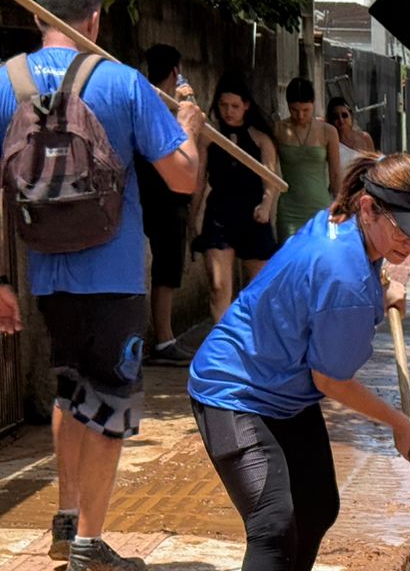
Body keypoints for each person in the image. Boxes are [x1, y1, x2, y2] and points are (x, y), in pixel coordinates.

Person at [187, 154, 410, 571]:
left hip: (283, 390)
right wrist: (400, 423)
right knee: (274, 523)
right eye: (403, 231)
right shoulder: (344, 276)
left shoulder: (342, 225)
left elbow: (339, 293)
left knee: (320, 505)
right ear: (370, 207)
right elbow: (334, 380)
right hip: (235, 392)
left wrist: (386, 288)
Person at [0, 0, 204, 571]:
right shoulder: (124, 83)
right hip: (112, 275)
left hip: (45, 275)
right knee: (108, 399)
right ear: (95, 20)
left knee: (69, 390)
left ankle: (65, 519)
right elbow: (183, 178)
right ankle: (90, 549)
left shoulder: (0, 86)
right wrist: (190, 128)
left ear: (35, 16)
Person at [193, 73, 280, 321]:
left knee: (261, 288)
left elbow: (270, 181)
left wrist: (266, 204)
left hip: (253, 217)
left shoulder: (261, 139)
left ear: (246, 106)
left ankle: (255, 346)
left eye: (235, 106)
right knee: (219, 286)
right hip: (219, 215)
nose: (228, 112)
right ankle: (220, 351)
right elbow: (199, 181)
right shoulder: (209, 136)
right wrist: (194, 218)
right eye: (223, 105)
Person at [134, 45, 194, 364]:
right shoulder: (166, 105)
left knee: (163, 268)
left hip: (144, 193)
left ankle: (161, 337)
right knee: (167, 269)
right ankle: (164, 339)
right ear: (175, 71)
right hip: (164, 195)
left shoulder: (140, 97)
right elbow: (186, 143)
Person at [274, 76, 342, 243]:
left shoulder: (328, 131)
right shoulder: (278, 130)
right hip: (289, 209)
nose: (300, 115)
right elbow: (270, 171)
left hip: (320, 207)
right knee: (290, 261)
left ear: (313, 104)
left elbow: (335, 174)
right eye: (294, 110)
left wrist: (340, 205)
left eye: (305, 110)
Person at [328, 95, 376, 171]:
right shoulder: (330, 143)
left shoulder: (365, 138)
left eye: (344, 115)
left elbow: (374, 167)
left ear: (351, 116)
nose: (341, 120)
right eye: (336, 117)